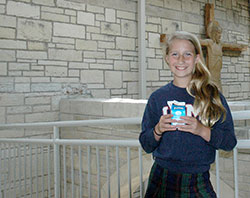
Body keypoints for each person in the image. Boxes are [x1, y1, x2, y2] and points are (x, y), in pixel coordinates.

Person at [139, 31, 237, 197]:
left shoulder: (212, 96)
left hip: (197, 180)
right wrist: (157, 130)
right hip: (161, 177)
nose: (181, 60)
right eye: (175, 54)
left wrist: (201, 130)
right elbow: (146, 144)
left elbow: (229, 142)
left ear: (197, 58)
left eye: (187, 54)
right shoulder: (157, 98)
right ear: (167, 58)